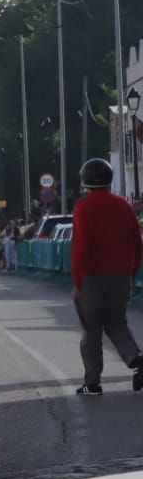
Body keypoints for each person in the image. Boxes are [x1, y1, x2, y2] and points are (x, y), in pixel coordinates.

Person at [69, 158, 143, 396]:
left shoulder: (83, 207)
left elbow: (81, 246)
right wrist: (131, 274)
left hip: (92, 277)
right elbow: (137, 243)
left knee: (92, 330)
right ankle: (137, 359)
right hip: (121, 275)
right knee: (116, 323)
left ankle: (92, 382)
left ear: (85, 181)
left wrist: (77, 280)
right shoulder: (124, 206)